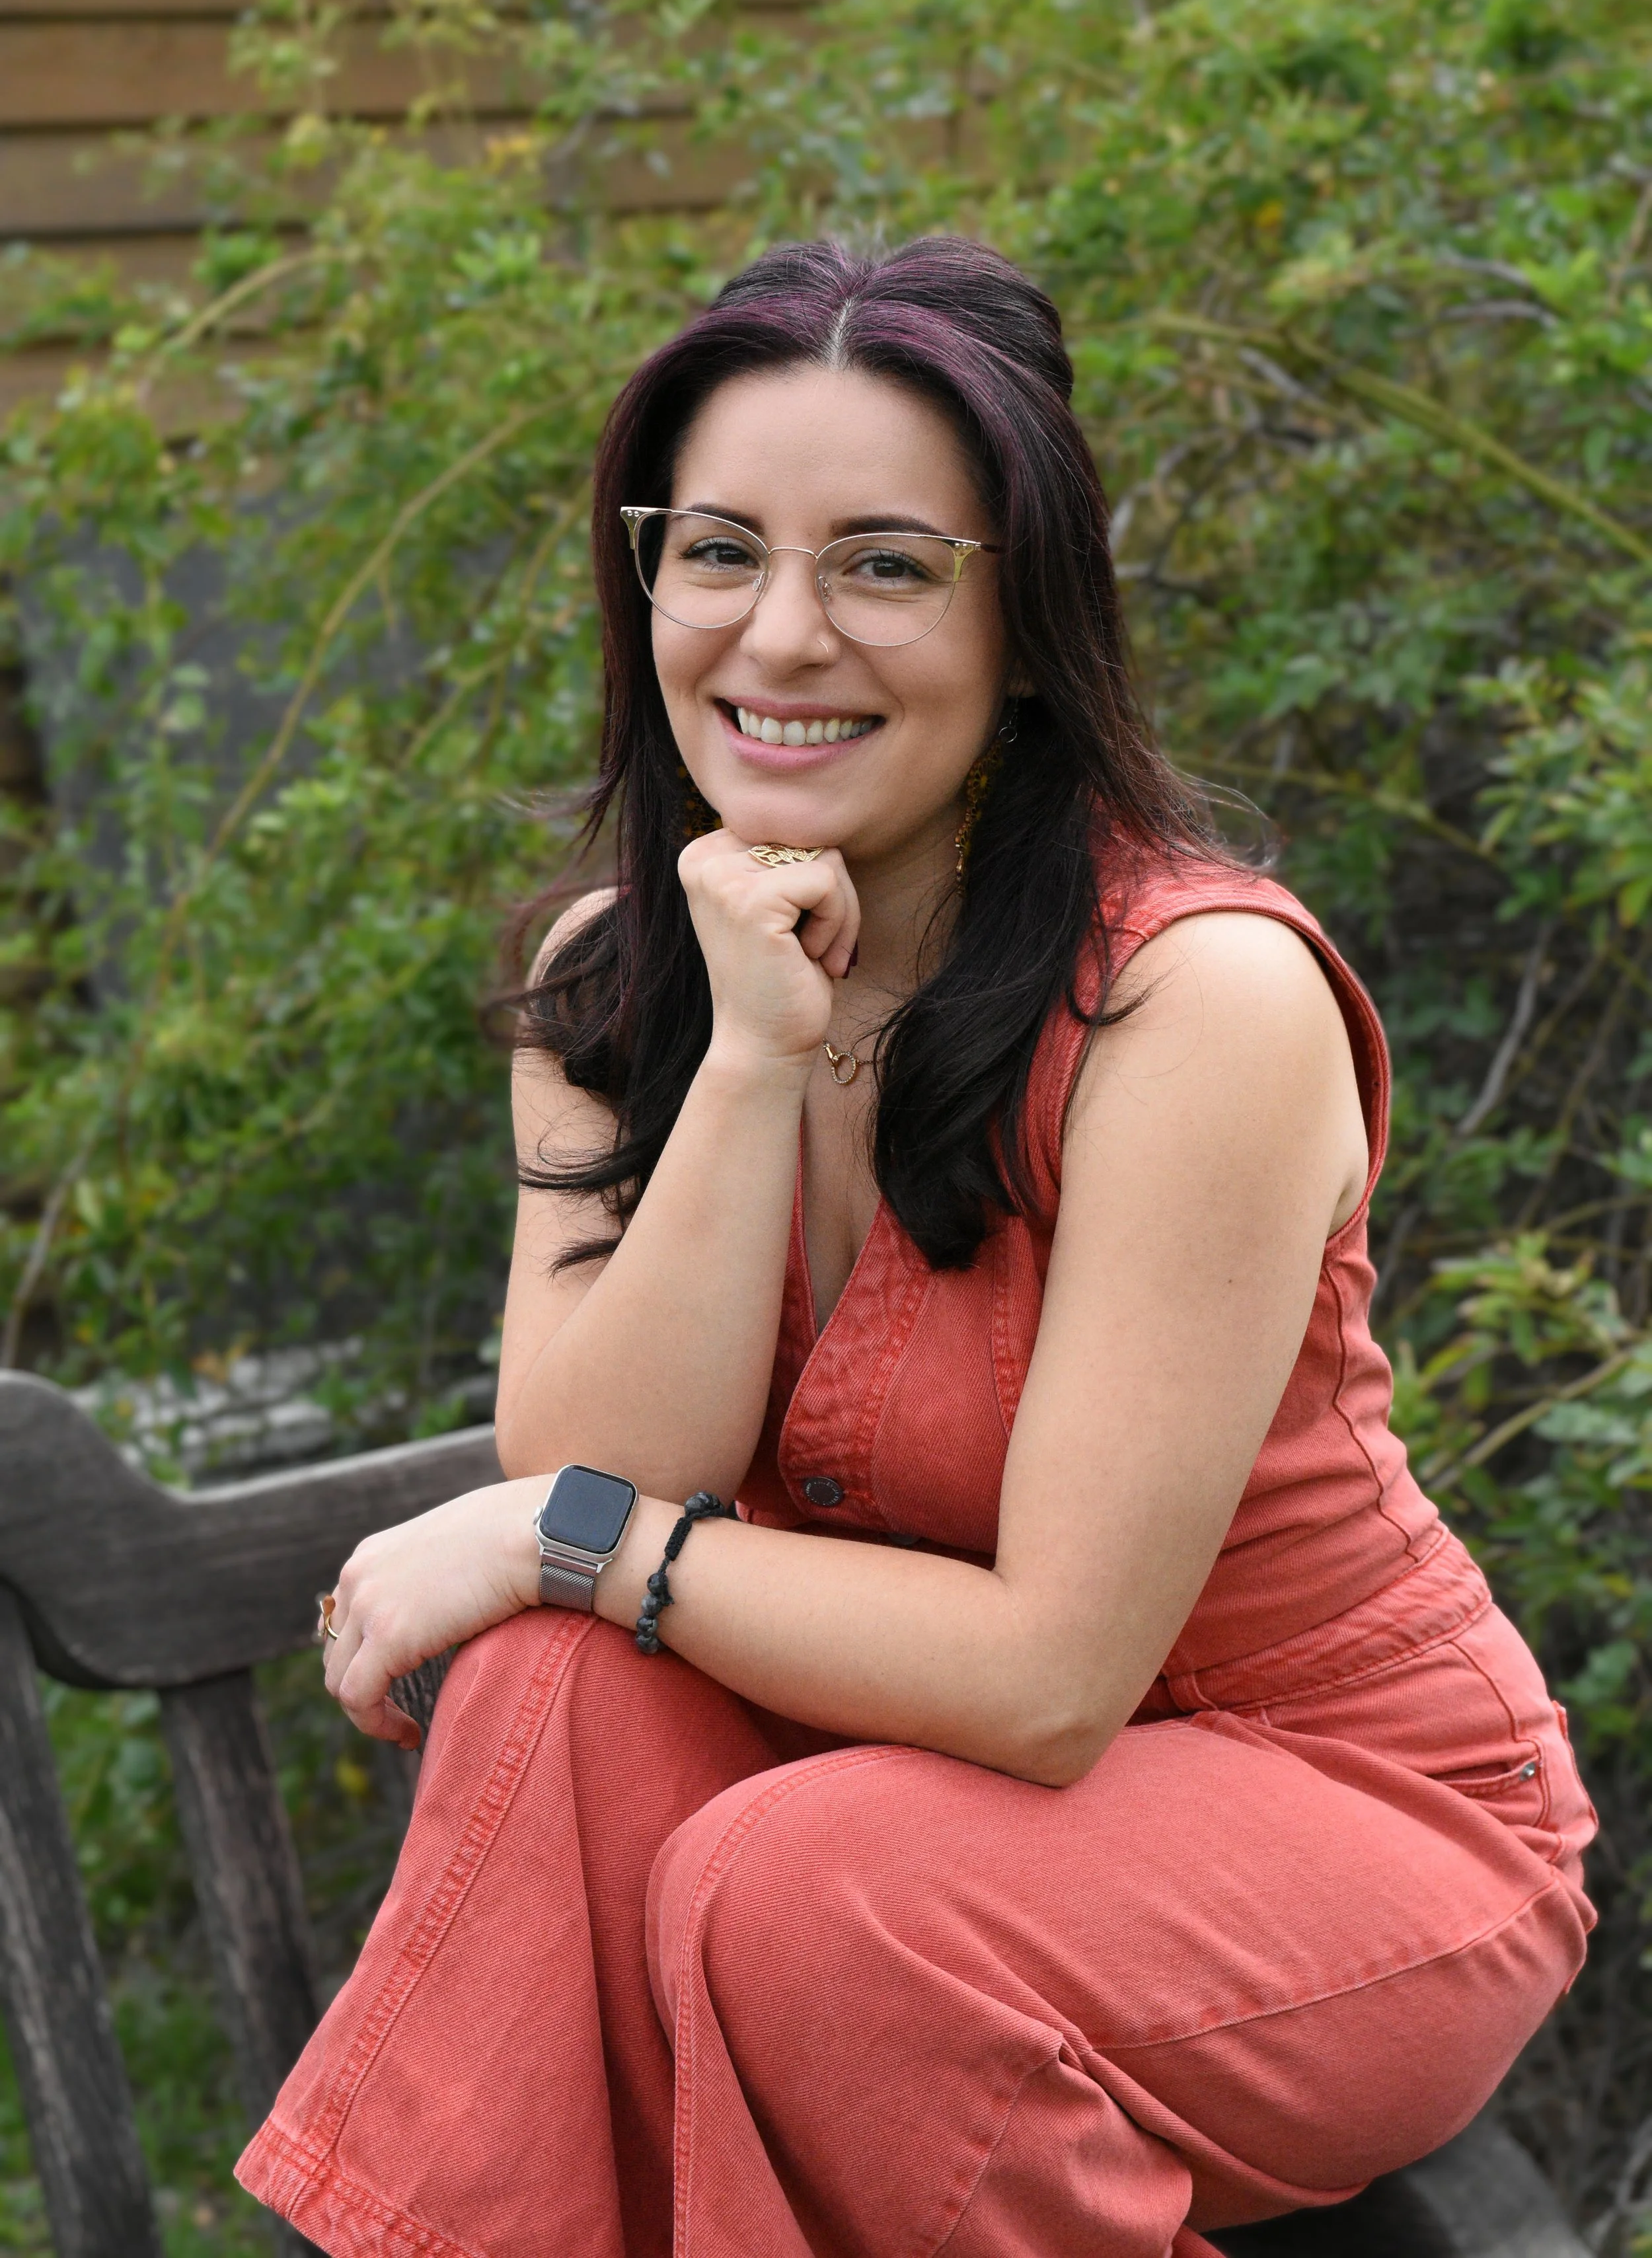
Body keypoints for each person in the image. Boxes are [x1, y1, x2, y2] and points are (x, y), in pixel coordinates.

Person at [238, 238, 1594, 2258]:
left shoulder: (1192, 1001)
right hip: (884, 1802)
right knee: (554, 1703)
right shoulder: (620, 981)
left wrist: (558, 1538)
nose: (780, 637)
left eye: (882, 562)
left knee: (798, 1874)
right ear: (645, 585)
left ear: (1025, 624)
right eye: (717, 551)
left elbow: (1048, 1678)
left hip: (1327, 1810)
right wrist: (753, 1059)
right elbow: (622, 1448)